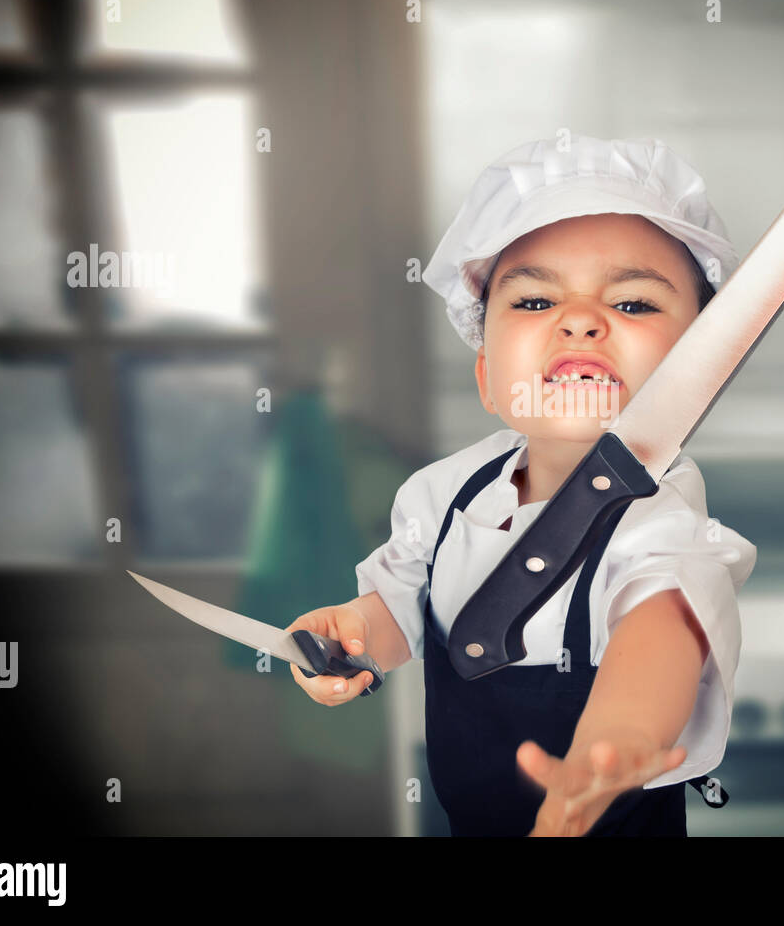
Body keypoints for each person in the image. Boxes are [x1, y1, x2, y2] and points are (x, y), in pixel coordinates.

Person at [286, 136, 757, 836]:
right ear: (486, 378)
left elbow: (662, 629)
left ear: (700, 373)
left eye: (633, 304)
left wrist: (621, 736)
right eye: (535, 300)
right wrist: (354, 636)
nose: (581, 319)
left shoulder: (663, 519)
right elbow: (402, 600)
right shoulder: (441, 494)